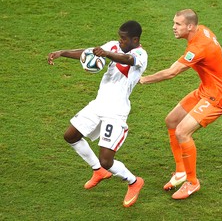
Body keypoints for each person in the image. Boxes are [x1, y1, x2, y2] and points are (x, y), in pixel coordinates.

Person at [47, 20, 148, 207]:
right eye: (119, 37)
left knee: (107, 160)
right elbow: (88, 53)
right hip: (98, 105)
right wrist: (63, 53)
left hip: (116, 113)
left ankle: (134, 182)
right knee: (70, 136)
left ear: (135, 39)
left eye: (124, 39)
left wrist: (108, 53)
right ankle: (98, 171)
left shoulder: (140, 54)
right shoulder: (113, 45)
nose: (120, 41)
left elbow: (127, 60)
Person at [139, 9, 222, 200]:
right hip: (206, 90)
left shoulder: (198, 47)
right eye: (174, 23)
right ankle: (181, 172)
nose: (173, 27)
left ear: (190, 26)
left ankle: (192, 182)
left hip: (219, 96)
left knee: (183, 132)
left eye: (178, 24)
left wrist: (142, 80)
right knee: (172, 121)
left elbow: (172, 72)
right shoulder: (202, 31)